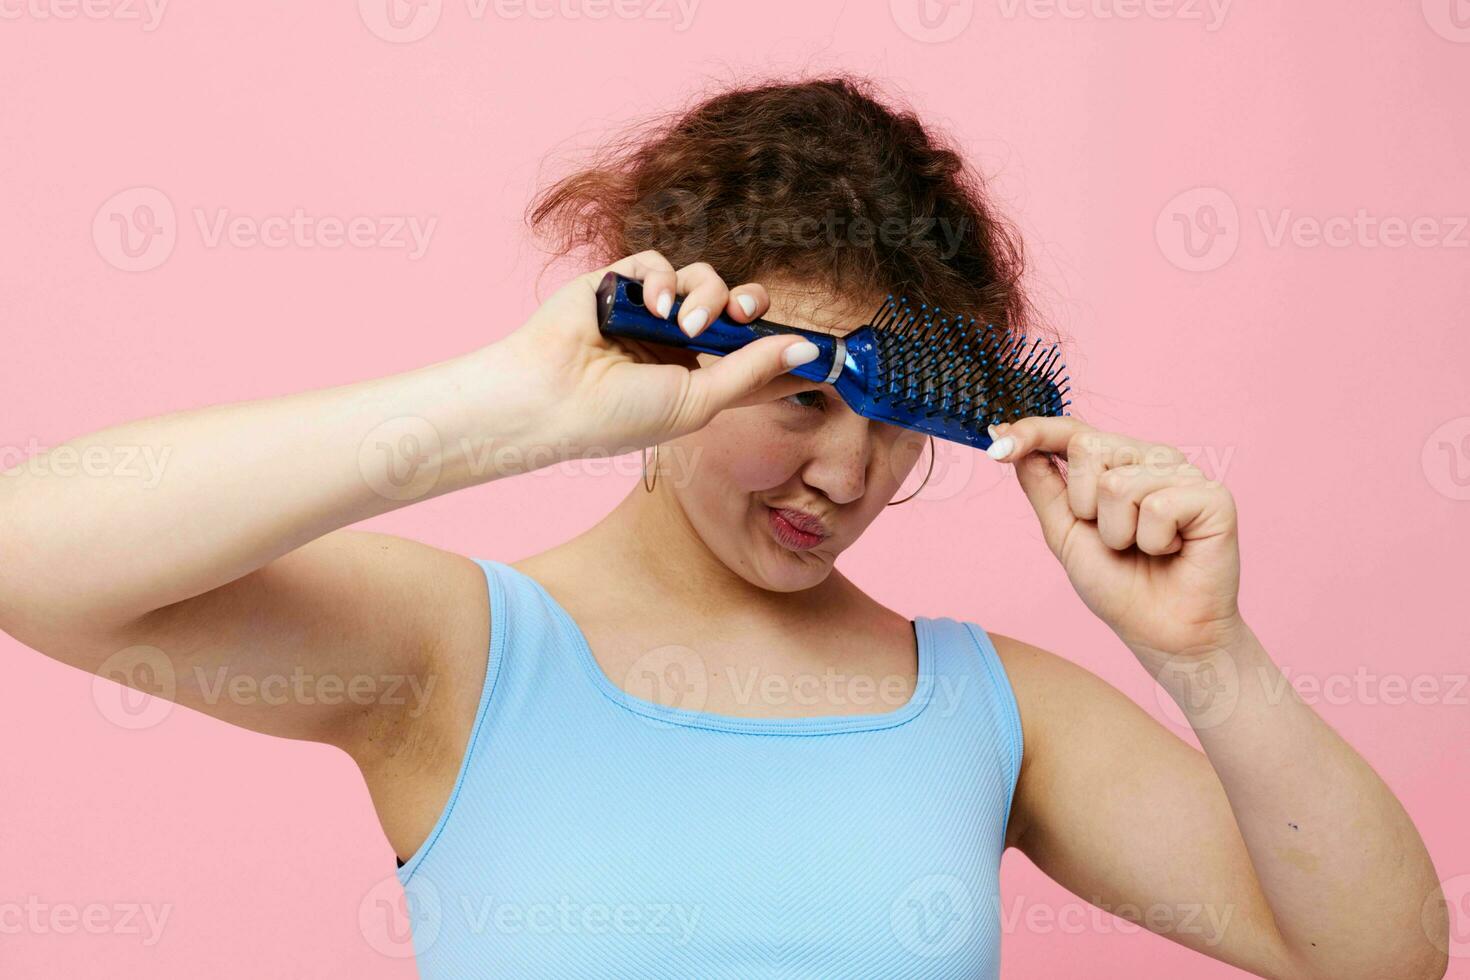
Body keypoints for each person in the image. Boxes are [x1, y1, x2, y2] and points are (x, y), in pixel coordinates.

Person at [0, 76, 1447, 979]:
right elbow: (32, 554)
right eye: (805, 395)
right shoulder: (458, 653)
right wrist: (501, 407)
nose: (847, 472)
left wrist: (1205, 653)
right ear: (680, 351)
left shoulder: (987, 706)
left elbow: (1376, 955)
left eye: (897, 422)